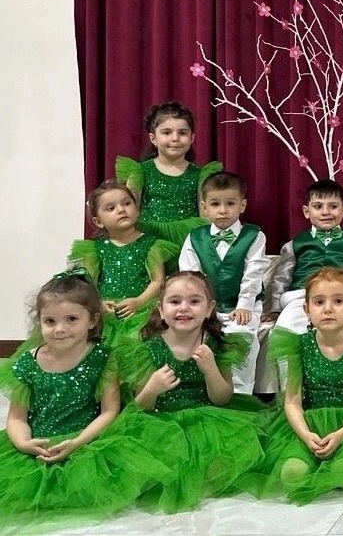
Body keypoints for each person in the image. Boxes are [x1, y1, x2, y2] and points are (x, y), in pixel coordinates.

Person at [0, 274, 172, 524]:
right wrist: (24, 444)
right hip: (38, 445)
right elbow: (16, 417)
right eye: (50, 321)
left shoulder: (103, 357)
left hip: (87, 441)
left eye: (71, 319)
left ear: (92, 320)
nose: (59, 329)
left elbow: (109, 411)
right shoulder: (27, 363)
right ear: (40, 322)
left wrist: (77, 442)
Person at [118, 271, 263, 512]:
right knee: (155, 463)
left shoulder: (217, 344)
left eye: (194, 301)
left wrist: (211, 370)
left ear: (209, 309)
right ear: (161, 309)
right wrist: (153, 388)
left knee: (228, 457)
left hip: (207, 418)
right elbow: (141, 406)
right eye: (174, 301)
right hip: (161, 422)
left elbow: (222, 399)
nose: (183, 308)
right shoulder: (146, 348)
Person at [250, 268, 343, 504]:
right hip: (309, 422)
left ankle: (341, 458)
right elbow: (292, 402)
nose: (328, 309)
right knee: (292, 474)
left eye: (338, 301)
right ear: (307, 309)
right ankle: (310, 454)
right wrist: (306, 435)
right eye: (319, 302)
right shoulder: (298, 346)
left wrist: (341, 435)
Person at [178, 171, 268, 394]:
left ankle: (240, 394)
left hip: (243, 306)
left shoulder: (255, 236)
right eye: (215, 204)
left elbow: (253, 274)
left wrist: (244, 305)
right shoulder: (194, 237)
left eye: (230, 203)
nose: (223, 210)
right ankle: (203, 391)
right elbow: (191, 278)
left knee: (242, 338)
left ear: (242, 205)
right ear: (204, 207)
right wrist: (203, 308)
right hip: (207, 307)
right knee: (197, 336)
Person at [69, 180, 178, 340]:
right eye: (111, 208)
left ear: (137, 209)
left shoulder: (151, 245)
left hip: (141, 311)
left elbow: (158, 281)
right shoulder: (94, 249)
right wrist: (98, 304)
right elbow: (88, 283)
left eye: (127, 203)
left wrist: (139, 302)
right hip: (107, 313)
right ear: (98, 221)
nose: (121, 210)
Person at [114, 101, 222, 245]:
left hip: (187, 241)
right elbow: (130, 209)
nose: (175, 138)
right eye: (167, 133)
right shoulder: (140, 172)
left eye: (182, 133)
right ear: (153, 138)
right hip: (149, 240)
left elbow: (205, 215)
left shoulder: (199, 175)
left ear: (192, 138)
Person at [272, 180, 343, 334]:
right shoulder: (294, 244)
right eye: (318, 207)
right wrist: (275, 309)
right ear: (306, 211)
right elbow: (282, 278)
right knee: (285, 330)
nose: (326, 212)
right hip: (302, 298)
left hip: (342, 297)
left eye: (333, 206)